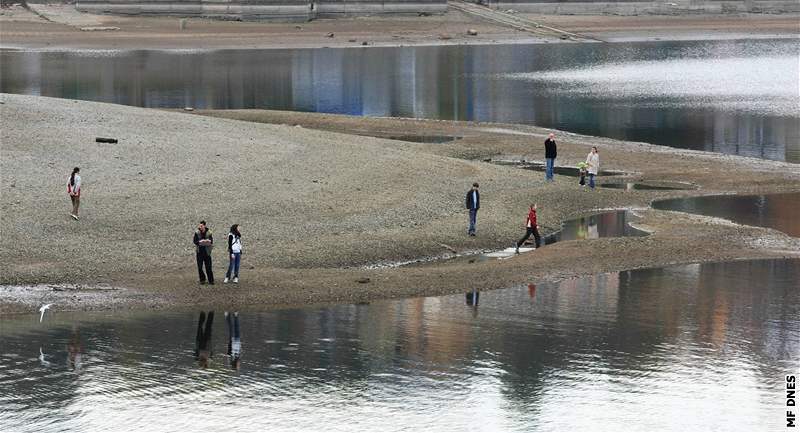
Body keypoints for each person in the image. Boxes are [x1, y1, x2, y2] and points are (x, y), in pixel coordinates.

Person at [193, 221, 214, 285]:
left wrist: (207, 241)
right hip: (199, 252)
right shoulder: (197, 232)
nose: (200, 227)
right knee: (200, 267)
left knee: (209, 267)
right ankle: (202, 279)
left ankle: (211, 280)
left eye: (201, 226)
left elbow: (211, 241)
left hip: (207, 253)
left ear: (204, 226)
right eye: (200, 226)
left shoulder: (209, 232)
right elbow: (195, 241)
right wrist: (200, 242)